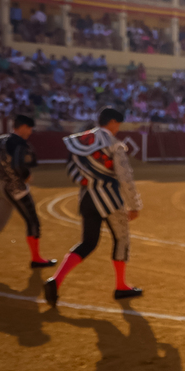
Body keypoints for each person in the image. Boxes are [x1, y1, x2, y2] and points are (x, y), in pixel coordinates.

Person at [43, 107, 144, 307]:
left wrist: (86, 182)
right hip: (111, 201)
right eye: (119, 125)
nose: (118, 129)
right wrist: (134, 205)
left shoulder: (79, 141)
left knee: (88, 242)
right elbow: (125, 178)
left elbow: (71, 169)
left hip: (87, 199)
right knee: (121, 238)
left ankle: (56, 280)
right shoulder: (115, 146)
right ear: (113, 122)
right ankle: (121, 285)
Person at [0, 115, 56, 273]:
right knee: (33, 221)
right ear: (21, 127)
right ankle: (36, 259)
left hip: (2, 185)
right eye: (29, 128)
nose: (30, 131)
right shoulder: (18, 142)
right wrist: (26, 175)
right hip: (16, 188)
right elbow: (17, 164)